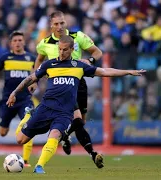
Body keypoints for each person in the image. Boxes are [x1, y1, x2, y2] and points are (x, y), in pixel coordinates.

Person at [7, 35, 145, 174]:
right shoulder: (49, 64)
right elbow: (30, 78)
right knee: (20, 140)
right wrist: (14, 93)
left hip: (64, 113)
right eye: (59, 49)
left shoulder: (79, 66)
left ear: (72, 49)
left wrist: (128, 72)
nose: (61, 52)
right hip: (45, 108)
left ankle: (39, 167)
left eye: (65, 50)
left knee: (54, 135)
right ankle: (28, 115)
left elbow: (104, 71)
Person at [28, 10, 104, 168]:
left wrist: (89, 60)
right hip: (59, 88)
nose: (60, 26)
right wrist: (34, 80)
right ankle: (92, 153)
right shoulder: (45, 43)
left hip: (78, 84)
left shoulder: (78, 36)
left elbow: (97, 52)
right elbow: (39, 59)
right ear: (51, 25)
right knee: (76, 119)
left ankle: (65, 136)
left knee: (80, 122)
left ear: (66, 22)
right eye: (56, 24)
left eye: (62, 23)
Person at [0, 31, 37, 167]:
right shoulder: (5, 57)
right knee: (2, 132)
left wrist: (35, 82)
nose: (17, 43)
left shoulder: (31, 58)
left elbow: (37, 75)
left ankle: (26, 161)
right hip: (7, 100)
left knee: (30, 124)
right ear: (11, 43)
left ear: (24, 42)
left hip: (25, 99)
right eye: (15, 40)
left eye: (20, 40)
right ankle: (5, 125)